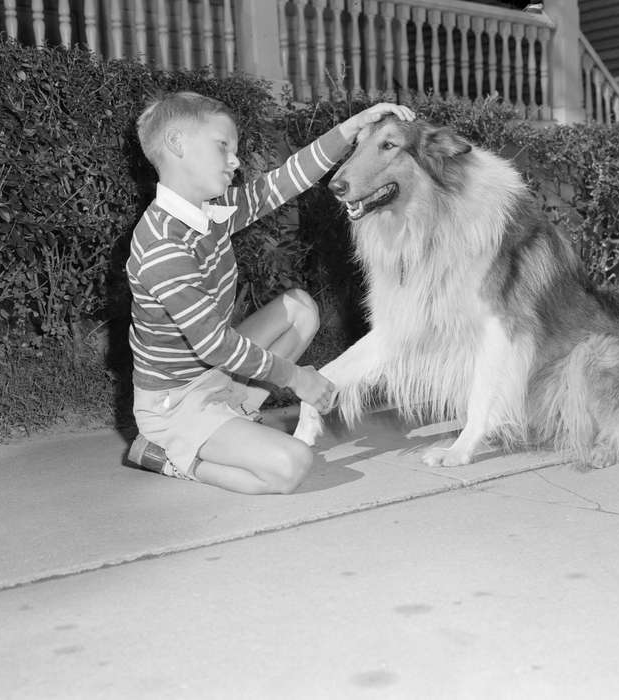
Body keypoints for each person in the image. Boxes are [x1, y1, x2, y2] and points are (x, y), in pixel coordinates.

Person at [125, 91, 414, 494]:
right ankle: (164, 455)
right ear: (177, 144)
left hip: (211, 374)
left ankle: (236, 411)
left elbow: (285, 181)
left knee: (301, 309)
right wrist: (297, 379)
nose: (235, 160)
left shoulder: (212, 212)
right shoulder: (162, 246)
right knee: (290, 466)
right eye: (222, 145)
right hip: (176, 402)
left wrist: (352, 128)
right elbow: (216, 346)